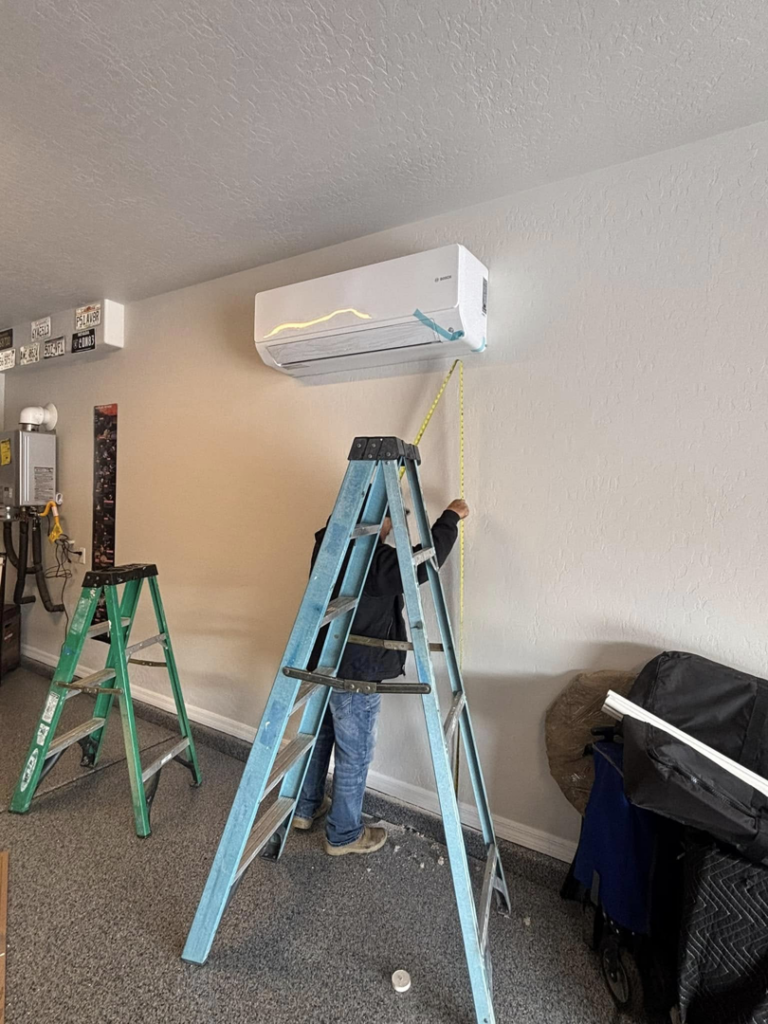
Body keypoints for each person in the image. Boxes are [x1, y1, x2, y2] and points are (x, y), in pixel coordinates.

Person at [293, 497, 470, 856]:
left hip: (323, 663)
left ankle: (304, 808)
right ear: (377, 519)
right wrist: (450, 518)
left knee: (320, 737)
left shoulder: (328, 542)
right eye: (393, 521)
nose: (392, 531)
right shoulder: (369, 557)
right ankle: (343, 834)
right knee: (354, 753)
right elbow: (420, 566)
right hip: (356, 671)